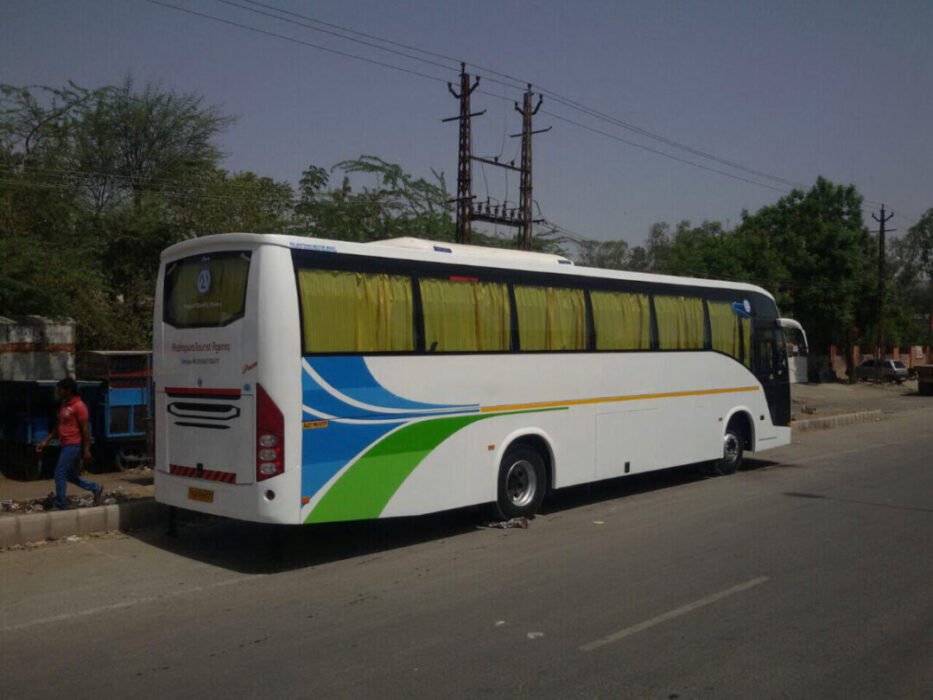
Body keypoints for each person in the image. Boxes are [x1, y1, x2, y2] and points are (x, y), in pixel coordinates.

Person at [36, 377, 104, 509]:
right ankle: (96, 488)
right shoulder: (64, 404)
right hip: (65, 444)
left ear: (69, 390)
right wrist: (45, 441)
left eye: (60, 389)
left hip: (73, 445)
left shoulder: (80, 406)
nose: (58, 392)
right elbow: (58, 426)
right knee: (70, 475)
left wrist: (86, 450)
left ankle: (60, 503)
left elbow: (85, 430)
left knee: (59, 473)